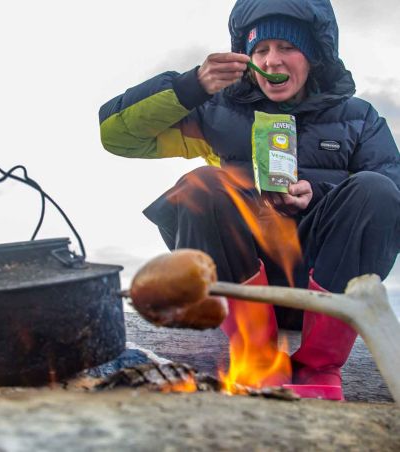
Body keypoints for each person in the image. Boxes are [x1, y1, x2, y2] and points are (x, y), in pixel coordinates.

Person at [99, 0, 400, 400]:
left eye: (287, 47)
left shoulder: (359, 118)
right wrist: (194, 85)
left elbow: (390, 192)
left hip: (327, 279)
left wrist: (320, 194)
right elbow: (119, 136)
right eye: (261, 50)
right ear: (247, 57)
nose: (272, 61)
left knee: (375, 190)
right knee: (200, 184)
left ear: (314, 53)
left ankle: (319, 370)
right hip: (245, 280)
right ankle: (257, 359)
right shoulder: (218, 112)